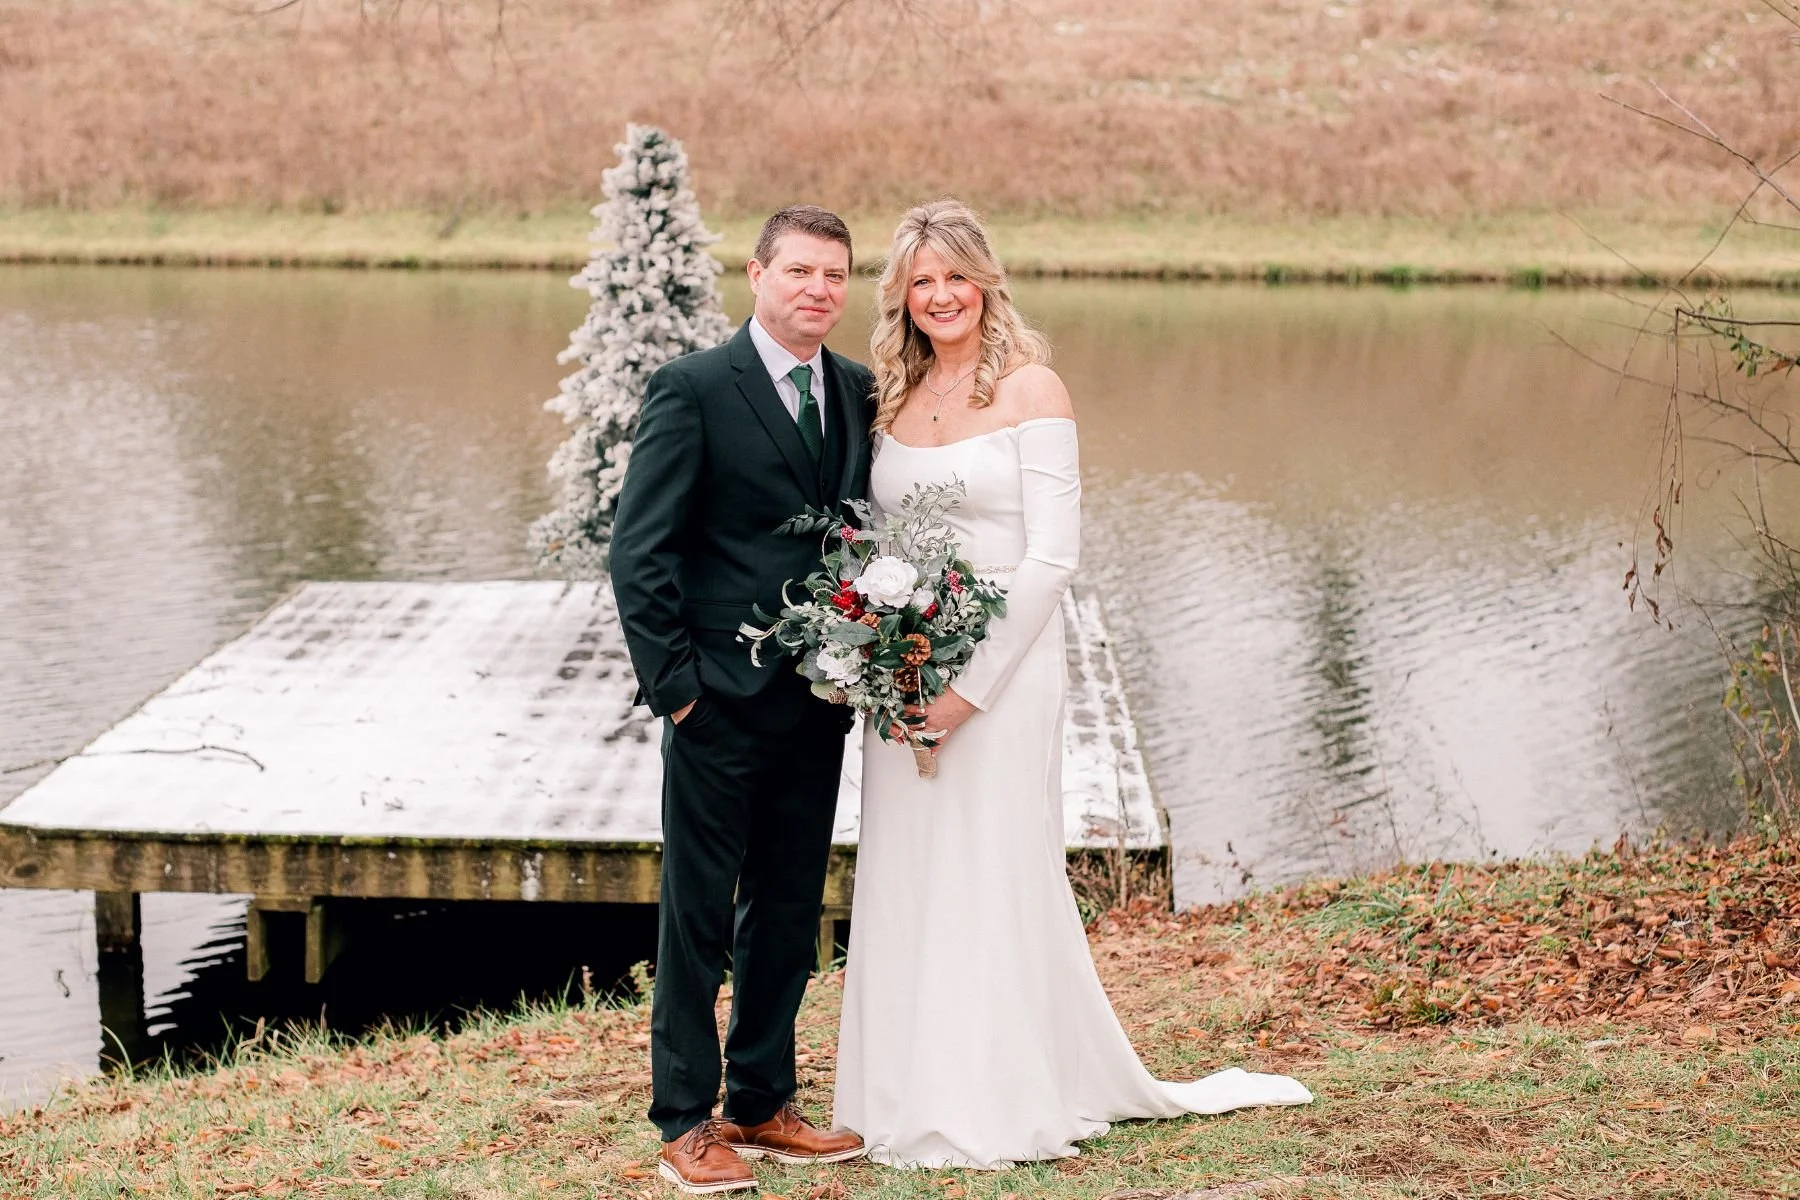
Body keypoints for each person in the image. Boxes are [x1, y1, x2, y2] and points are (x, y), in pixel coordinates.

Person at [832, 199, 1314, 1169]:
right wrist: (886, 659)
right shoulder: (890, 395)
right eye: (921, 281)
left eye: (955, 276)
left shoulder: (1033, 390)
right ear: (902, 295)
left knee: (990, 866)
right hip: (907, 677)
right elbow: (878, 543)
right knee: (911, 872)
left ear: (986, 280)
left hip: (1002, 677)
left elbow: (1052, 561)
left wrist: (966, 692)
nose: (939, 296)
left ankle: (998, 1097)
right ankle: (901, 1091)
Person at [609, 205, 874, 1195]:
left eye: (836, 275)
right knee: (699, 914)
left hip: (818, 703)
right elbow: (641, 554)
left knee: (790, 907)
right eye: (800, 270)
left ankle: (762, 1100)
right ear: (757, 275)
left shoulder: (854, 390)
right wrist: (678, 693)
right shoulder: (693, 390)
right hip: (717, 703)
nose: (818, 288)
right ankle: (685, 1118)